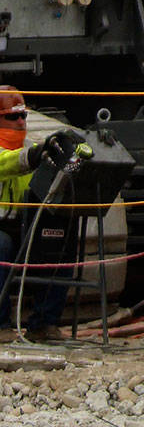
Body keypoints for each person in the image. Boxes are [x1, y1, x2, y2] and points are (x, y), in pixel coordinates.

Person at [0, 86, 71, 336]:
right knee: (2, 245)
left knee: (58, 243)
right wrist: (34, 155)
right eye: (12, 116)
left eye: (23, 116)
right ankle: (1, 325)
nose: (20, 121)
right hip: (2, 230)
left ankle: (43, 323)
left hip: (23, 223)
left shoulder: (31, 149)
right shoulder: (29, 153)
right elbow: (7, 162)